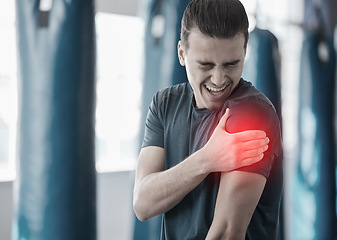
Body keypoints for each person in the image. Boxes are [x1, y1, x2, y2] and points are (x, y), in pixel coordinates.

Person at [133, 0, 283, 239]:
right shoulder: (165, 104)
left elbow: (226, 232)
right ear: (182, 54)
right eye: (205, 65)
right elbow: (143, 203)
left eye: (231, 64)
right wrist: (207, 159)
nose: (218, 79)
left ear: (244, 53)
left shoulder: (252, 113)